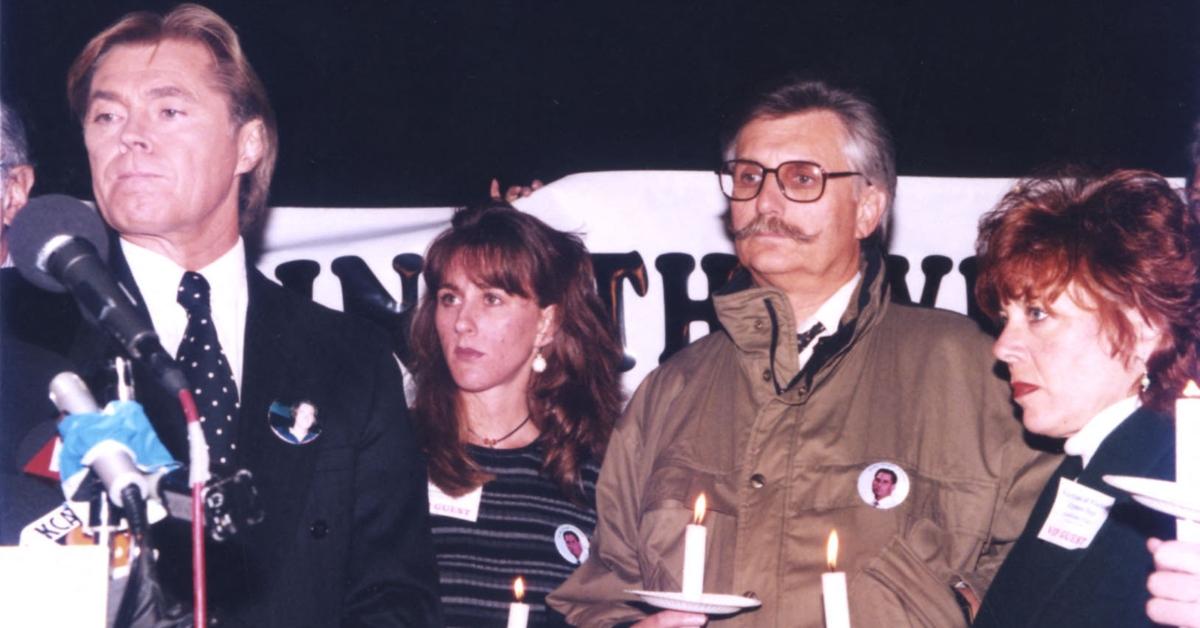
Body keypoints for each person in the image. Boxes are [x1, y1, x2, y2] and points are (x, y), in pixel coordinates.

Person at [549, 78, 1056, 627]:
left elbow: (1060, 577)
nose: (765, 201)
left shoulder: (976, 373)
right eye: (748, 177)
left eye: (801, 179)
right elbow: (599, 594)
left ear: (868, 209)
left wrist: (955, 606)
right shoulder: (672, 390)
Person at [41, 5, 440, 624]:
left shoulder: (349, 360)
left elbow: (394, 597)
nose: (130, 135)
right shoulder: (30, 342)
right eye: (107, 114)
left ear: (247, 144)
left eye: (169, 110)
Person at [971, 170, 1200, 627]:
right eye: (1006, 316)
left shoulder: (1179, 481)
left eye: (1038, 314)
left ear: (1143, 331)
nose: (1002, 347)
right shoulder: (1091, 462)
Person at [411, 203, 623, 627]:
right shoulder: (393, 452)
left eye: (491, 299)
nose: (462, 323)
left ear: (547, 322)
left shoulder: (597, 471)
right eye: (449, 298)